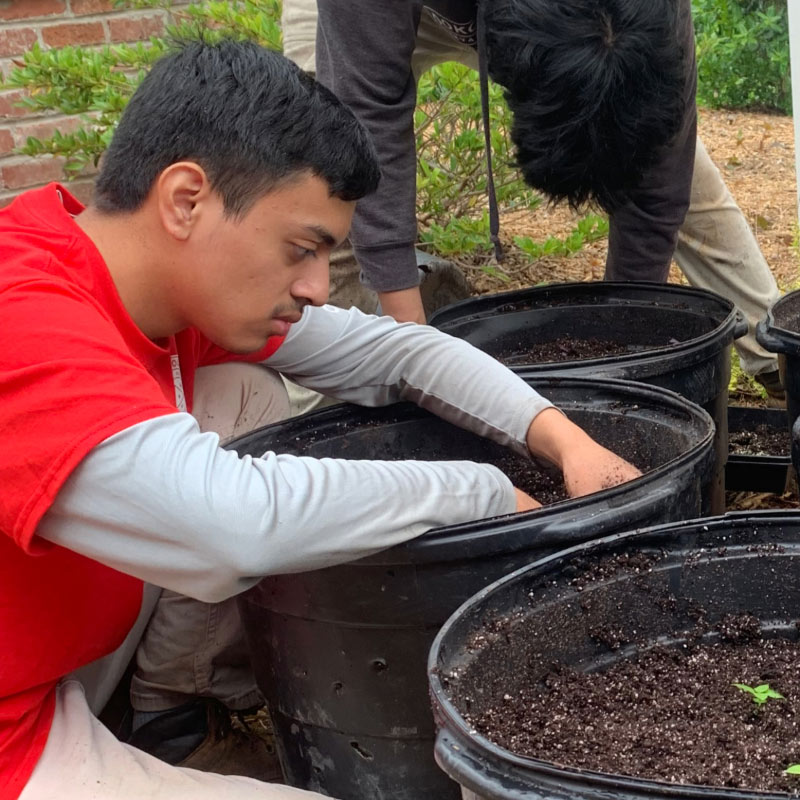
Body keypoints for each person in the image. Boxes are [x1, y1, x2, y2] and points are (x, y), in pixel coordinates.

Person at [1, 39, 641, 800]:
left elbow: (397, 352)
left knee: (245, 393)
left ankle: (168, 711)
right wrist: (477, 491)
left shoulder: (161, 290)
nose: (314, 285)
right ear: (186, 200)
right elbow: (228, 526)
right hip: (17, 736)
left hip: (52, 668)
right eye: (301, 249)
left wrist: (564, 440)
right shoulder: (22, 313)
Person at [284, 0, 782, 400]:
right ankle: (317, 412)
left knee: (653, 145)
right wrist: (418, 348)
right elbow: (368, 108)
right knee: (326, 181)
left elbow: (659, 180)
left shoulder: (652, 17)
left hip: (577, 27)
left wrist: (625, 347)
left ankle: (779, 356)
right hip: (365, 18)